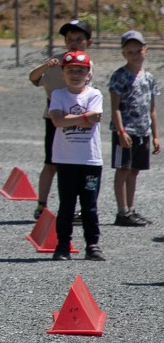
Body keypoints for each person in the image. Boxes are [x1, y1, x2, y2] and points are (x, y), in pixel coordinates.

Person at [30, 19, 92, 218]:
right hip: (55, 120)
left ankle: (76, 208)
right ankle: (41, 206)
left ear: (88, 42)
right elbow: (33, 79)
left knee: (77, 165)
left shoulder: (88, 65)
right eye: (69, 39)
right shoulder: (56, 61)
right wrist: (45, 66)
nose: (73, 43)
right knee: (51, 163)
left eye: (78, 39)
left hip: (78, 120)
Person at [46, 50, 105, 261]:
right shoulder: (59, 95)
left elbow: (96, 117)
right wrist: (84, 117)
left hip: (90, 160)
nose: (75, 75)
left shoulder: (95, 94)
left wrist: (70, 117)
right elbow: (57, 121)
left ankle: (93, 244)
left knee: (89, 205)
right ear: (63, 73)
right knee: (67, 205)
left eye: (80, 71)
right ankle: (62, 245)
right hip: (66, 159)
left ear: (88, 73)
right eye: (70, 70)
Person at [107, 30, 160, 227]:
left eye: (138, 51)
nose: (135, 55)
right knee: (123, 169)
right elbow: (115, 107)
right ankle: (122, 211)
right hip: (126, 131)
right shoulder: (119, 76)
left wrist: (155, 135)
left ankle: (131, 208)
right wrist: (120, 131)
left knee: (134, 171)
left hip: (142, 131)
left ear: (145, 51)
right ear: (124, 54)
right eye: (130, 52)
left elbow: (152, 108)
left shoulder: (149, 78)